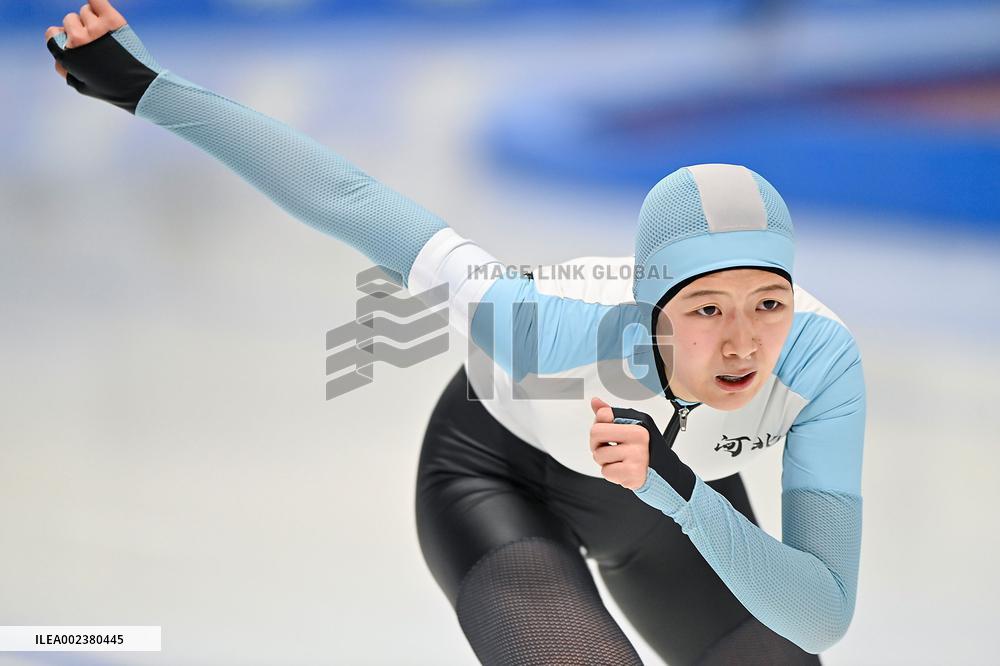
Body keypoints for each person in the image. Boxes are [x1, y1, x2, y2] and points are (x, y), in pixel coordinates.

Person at [43, 3, 866, 664]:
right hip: (495, 479)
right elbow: (350, 198)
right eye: (706, 307)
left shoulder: (822, 367)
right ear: (650, 308)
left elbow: (821, 616)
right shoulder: (545, 331)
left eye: (768, 303)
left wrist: (675, 490)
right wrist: (146, 87)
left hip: (668, 495)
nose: (742, 343)